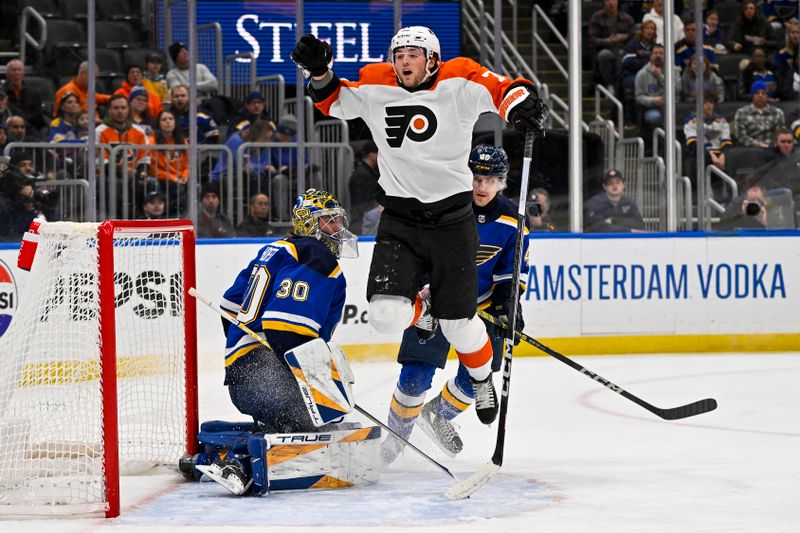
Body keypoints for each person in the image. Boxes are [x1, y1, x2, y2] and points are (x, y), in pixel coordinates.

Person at [291, 26, 548, 425]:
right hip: (401, 221)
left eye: (413, 53)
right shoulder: (377, 81)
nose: (404, 61)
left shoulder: (458, 78)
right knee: (384, 315)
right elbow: (332, 100)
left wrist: (522, 103)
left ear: (431, 59)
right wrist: (319, 70)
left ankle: (481, 379)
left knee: (460, 325)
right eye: (399, 54)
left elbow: (502, 89)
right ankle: (422, 308)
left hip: (453, 222)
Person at [380, 145, 529, 464]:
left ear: (502, 182)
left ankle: (437, 414)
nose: (482, 186)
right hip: (434, 304)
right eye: (476, 177)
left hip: (481, 306)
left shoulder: (513, 223)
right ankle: (395, 440)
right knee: (415, 376)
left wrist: (509, 308)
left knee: (477, 377)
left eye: (490, 180)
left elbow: (509, 276)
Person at [219, 189, 356, 432]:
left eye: (338, 220)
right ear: (308, 221)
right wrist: (311, 383)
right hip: (267, 382)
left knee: (306, 416)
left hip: (240, 382)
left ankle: (269, 431)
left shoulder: (273, 251)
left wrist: (245, 352)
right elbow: (284, 328)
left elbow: (228, 306)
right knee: (327, 419)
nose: (337, 228)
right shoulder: (316, 256)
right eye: (329, 220)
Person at [588, 0, 636, 93]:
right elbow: (593, 39)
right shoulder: (597, 17)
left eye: (613, 0)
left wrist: (624, 46)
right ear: (604, 3)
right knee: (604, 55)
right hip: (606, 49)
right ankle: (609, 85)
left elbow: (634, 38)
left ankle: (620, 89)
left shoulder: (627, 18)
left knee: (623, 57)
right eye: (608, 1)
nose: (611, 3)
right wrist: (608, 41)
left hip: (623, 50)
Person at [149, 109, 188, 215]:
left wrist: (185, 175)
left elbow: (188, 164)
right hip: (162, 178)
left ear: (175, 122)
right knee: (174, 188)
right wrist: (172, 177)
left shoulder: (182, 141)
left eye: (171, 119)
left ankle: (186, 220)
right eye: (164, 119)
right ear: (158, 123)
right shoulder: (152, 142)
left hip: (180, 178)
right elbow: (153, 168)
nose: (168, 121)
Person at [684, 93, 732, 172]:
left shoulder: (722, 121)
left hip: (719, 153)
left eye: (711, 102)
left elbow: (726, 142)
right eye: (705, 103)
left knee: (731, 158)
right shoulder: (691, 121)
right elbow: (692, 142)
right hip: (701, 153)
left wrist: (723, 155)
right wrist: (710, 155)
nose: (708, 105)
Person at [621, 19, 658, 125]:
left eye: (652, 29)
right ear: (641, 30)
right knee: (630, 84)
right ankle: (629, 118)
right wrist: (647, 63)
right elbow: (627, 62)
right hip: (633, 74)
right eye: (647, 28)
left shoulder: (656, 47)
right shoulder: (632, 45)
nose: (650, 31)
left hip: (653, 76)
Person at [734, 80, 786, 148]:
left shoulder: (778, 112)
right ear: (752, 95)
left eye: (763, 93)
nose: (760, 95)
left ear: (767, 96)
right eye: (757, 93)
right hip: (750, 150)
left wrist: (772, 145)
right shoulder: (741, 113)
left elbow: (781, 134)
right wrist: (757, 144)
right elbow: (740, 136)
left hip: (773, 149)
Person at [2, 59, 46, 132]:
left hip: (31, 130)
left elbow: (38, 118)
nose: (17, 73)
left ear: (23, 73)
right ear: (7, 73)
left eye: (20, 70)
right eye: (13, 70)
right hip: (8, 131)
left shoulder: (33, 93)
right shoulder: (2, 93)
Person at [348, 140, 380, 234]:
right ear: (371, 155)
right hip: (363, 220)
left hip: (365, 218)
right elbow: (361, 202)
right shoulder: (362, 174)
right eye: (378, 153)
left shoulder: (367, 172)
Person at [635, 44, 667, 131]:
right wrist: (652, 100)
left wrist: (660, 76)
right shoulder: (642, 74)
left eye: (661, 53)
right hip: (651, 108)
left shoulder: (673, 70)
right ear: (651, 56)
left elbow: (677, 90)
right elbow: (638, 96)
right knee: (655, 117)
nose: (658, 55)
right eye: (655, 53)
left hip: (671, 107)